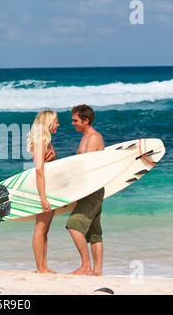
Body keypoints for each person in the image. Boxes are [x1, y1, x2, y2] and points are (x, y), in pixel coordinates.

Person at [66, 104, 105, 276]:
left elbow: (86, 166)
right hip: (89, 189)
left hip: (92, 189)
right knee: (94, 232)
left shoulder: (94, 137)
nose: (73, 123)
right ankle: (97, 272)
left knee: (74, 225)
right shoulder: (85, 137)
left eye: (76, 120)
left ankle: (86, 266)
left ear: (86, 120)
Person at [27, 110, 60, 273]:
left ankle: (44, 266)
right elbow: (39, 171)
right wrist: (43, 198)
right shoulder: (40, 142)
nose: (58, 124)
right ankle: (40, 268)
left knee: (45, 230)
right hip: (42, 191)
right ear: (48, 123)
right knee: (39, 229)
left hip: (49, 189)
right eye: (56, 121)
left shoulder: (46, 142)